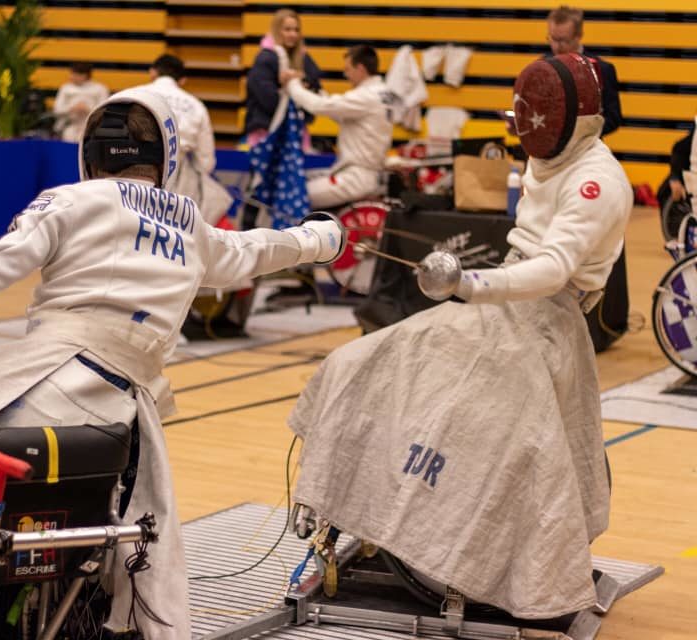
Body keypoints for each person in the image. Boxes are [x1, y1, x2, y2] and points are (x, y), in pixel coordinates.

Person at [0, 88, 345, 639]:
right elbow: (256, 249)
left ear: (89, 154)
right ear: (167, 159)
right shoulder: (190, 227)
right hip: (125, 419)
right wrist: (321, 238)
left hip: (43, 383)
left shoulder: (70, 201)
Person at [288, 53, 632, 620]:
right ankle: (341, 494)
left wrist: (469, 283)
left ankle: (492, 559)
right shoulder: (550, 154)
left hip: (545, 321)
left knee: (502, 437)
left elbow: (552, 268)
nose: (528, 128)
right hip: (497, 310)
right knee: (357, 362)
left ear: (576, 118)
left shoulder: (599, 181)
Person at [282, 44, 394, 209]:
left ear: (361, 69)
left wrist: (293, 85)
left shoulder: (366, 96)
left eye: (348, 69)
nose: (345, 74)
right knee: (302, 181)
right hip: (361, 173)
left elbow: (320, 106)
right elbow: (339, 112)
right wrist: (315, 92)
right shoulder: (382, 93)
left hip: (356, 178)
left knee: (294, 196)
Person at [139, 53, 232, 225]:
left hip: (131, 173)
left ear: (152, 72)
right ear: (182, 80)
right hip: (177, 179)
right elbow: (206, 162)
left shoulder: (133, 94)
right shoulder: (196, 105)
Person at [244, 8, 321, 148]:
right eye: (287, 29)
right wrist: (290, 89)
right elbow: (267, 99)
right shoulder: (265, 59)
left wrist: (301, 80)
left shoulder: (303, 58)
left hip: (296, 131)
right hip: (267, 131)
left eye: (296, 30)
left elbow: (316, 86)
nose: (293, 34)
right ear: (276, 30)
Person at [547, 5, 621, 136]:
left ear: (579, 35)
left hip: (587, 149)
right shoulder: (541, 67)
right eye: (553, 39)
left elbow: (613, 119)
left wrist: (582, 133)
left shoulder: (602, 69)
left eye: (563, 40)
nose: (557, 47)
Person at [52, 61, 109, 142]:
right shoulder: (65, 88)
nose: (71, 77)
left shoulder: (100, 89)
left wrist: (88, 109)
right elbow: (57, 110)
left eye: (74, 74)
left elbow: (104, 112)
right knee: (69, 134)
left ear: (84, 75)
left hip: (91, 126)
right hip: (70, 124)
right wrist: (72, 108)